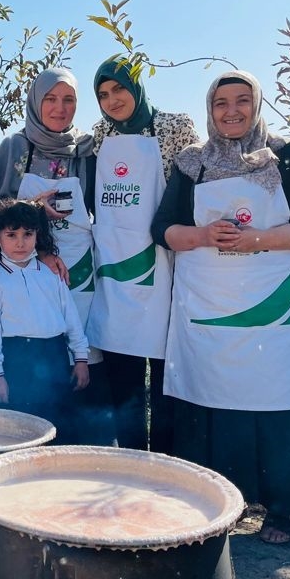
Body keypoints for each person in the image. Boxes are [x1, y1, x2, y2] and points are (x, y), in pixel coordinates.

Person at [151, 70, 290, 544]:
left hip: (271, 303)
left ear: (257, 105)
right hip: (210, 302)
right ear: (209, 109)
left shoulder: (285, 156)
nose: (231, 111)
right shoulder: (192, 162)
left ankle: (280, 510)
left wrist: (257, 239)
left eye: (242, 101)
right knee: (212, 397)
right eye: (221, 103)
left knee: (276, 398)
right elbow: (163, 227)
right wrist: (203, 236)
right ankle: (214, 499)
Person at [0, 67, 111, 444]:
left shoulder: (85, 151)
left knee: (81, 365)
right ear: (36, 102)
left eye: (69, 99)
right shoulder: (16, 148)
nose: (60, 108)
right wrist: (38, 244)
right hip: (31, 267)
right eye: (50, 99)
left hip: (80, 271)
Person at [86, 56, 199, 453]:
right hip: (118, 271)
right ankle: (133, 462)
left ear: (136, 86)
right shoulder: (97, 137)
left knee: (168, 379)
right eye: (102, 94)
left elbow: (192, 190)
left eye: (119, 88)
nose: (112, 100)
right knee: (125, 380)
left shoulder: (175, 126)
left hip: (169, 264)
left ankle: (168, 464)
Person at [0, 199, 91, 442]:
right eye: (11, 234)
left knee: (59, 429)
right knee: (20, 433)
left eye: (27, 234)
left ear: (37, 235)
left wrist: (81, 359)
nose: (20, 242)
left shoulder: (52, 273)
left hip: (54, 357)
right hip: (16, 361)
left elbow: (71, 318)